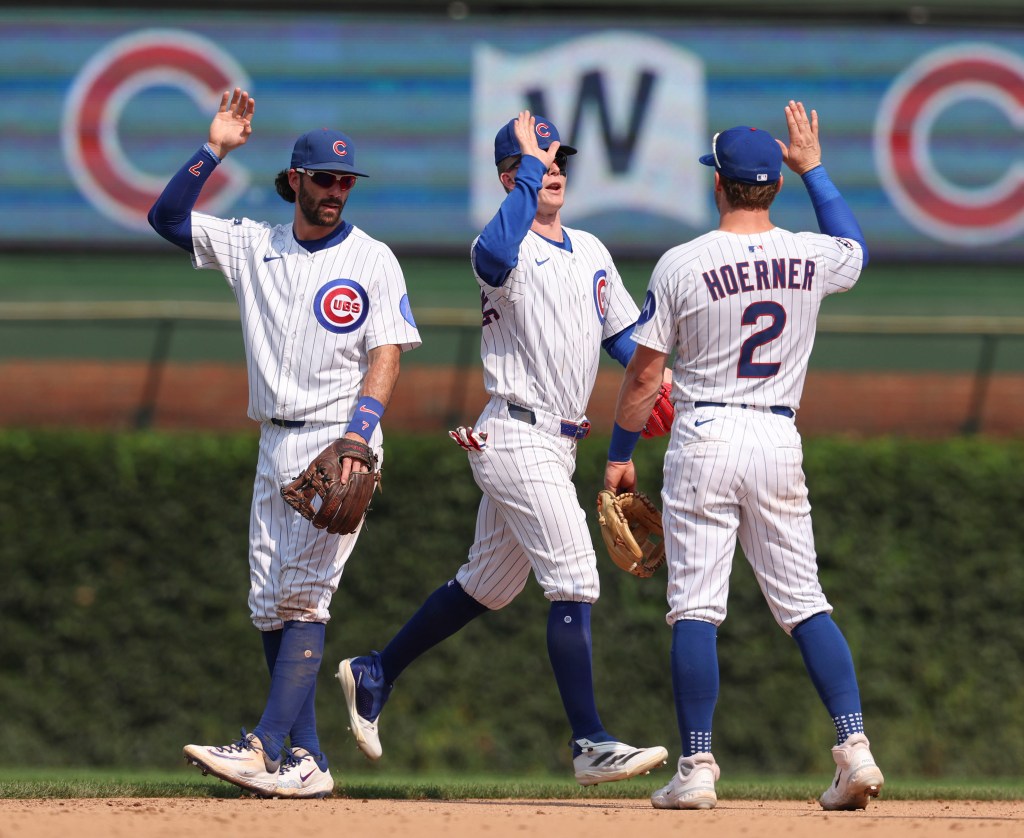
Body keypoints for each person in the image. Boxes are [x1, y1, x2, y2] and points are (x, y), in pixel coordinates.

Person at [336, 111, 669, 785]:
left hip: (559, 443)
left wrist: (663, 385)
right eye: (538, 161)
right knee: (576, 577)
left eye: (559, 159)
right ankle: (589, 742)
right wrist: (525, 175)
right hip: (514, 432)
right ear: (508, 177)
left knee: (486, 584)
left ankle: (374, 672)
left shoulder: (592, 251)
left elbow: (625, 342)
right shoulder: (500, 246)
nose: (554, 170)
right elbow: (492, 254)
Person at [603, 101, 885, 811]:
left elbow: (644, 377)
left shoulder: (683, 262)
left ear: (718, 183)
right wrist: (815, 168)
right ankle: (855, 750)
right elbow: (855, 249)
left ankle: (697, 766)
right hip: (777, 436)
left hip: (705, 434)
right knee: (805, 604)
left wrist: (619, 454)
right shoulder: (812, 255)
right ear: (775, 186)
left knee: (695, 609)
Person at [147, 88, 421, 798]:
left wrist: (358, 437)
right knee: (270, 603)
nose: (336, 191)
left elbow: (387, 353)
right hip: (275, 441)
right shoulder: (253, 244)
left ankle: (265, 748)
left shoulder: (372, 258)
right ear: (296, 179)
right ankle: (310, 761)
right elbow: (167, 218)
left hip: (338, 441)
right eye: (325, 178)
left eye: (346, 181)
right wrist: (214, 150)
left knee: (304, 599)